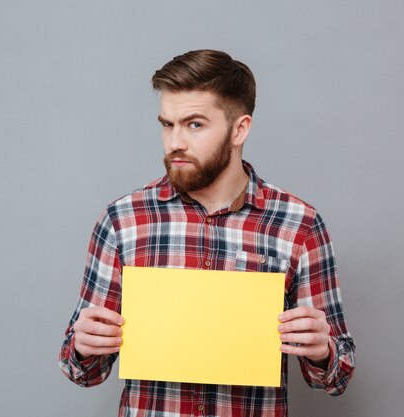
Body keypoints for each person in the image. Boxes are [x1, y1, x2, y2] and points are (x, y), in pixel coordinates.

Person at [59, 49, 355, 417]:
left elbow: (337, 377)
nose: (175, 143)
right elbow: (82, 371)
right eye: (167, 124)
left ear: (240, 128)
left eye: (194, 124)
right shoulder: (123, 220)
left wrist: (322, 349)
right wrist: (85, 345)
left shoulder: (299, 225)